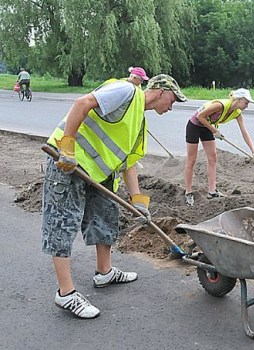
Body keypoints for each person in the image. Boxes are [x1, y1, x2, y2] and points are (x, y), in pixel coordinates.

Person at [42, 74, 187, 319]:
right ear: (161, 92)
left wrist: (138, 201)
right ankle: (66, 293)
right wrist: (66, 145)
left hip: (98, 174)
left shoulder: (139, 123)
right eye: (172, 100)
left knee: (106, 217)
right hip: (68, 162)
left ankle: (104, 272)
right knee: (62, 223)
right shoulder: (126, 91)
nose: (172, 107)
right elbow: (82, 103)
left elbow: (128, 163)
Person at [184, 88, 254, 206]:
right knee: (192, 159)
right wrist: (215, 131)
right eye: (246, 103)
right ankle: (188, 192)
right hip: (194, 125)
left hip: (207, 127)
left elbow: (244, 132)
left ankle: (212, 191)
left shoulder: (237, 113)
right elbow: (200, 117)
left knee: (213, 157)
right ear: (239, 99)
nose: (247, 106)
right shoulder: (220, 105)